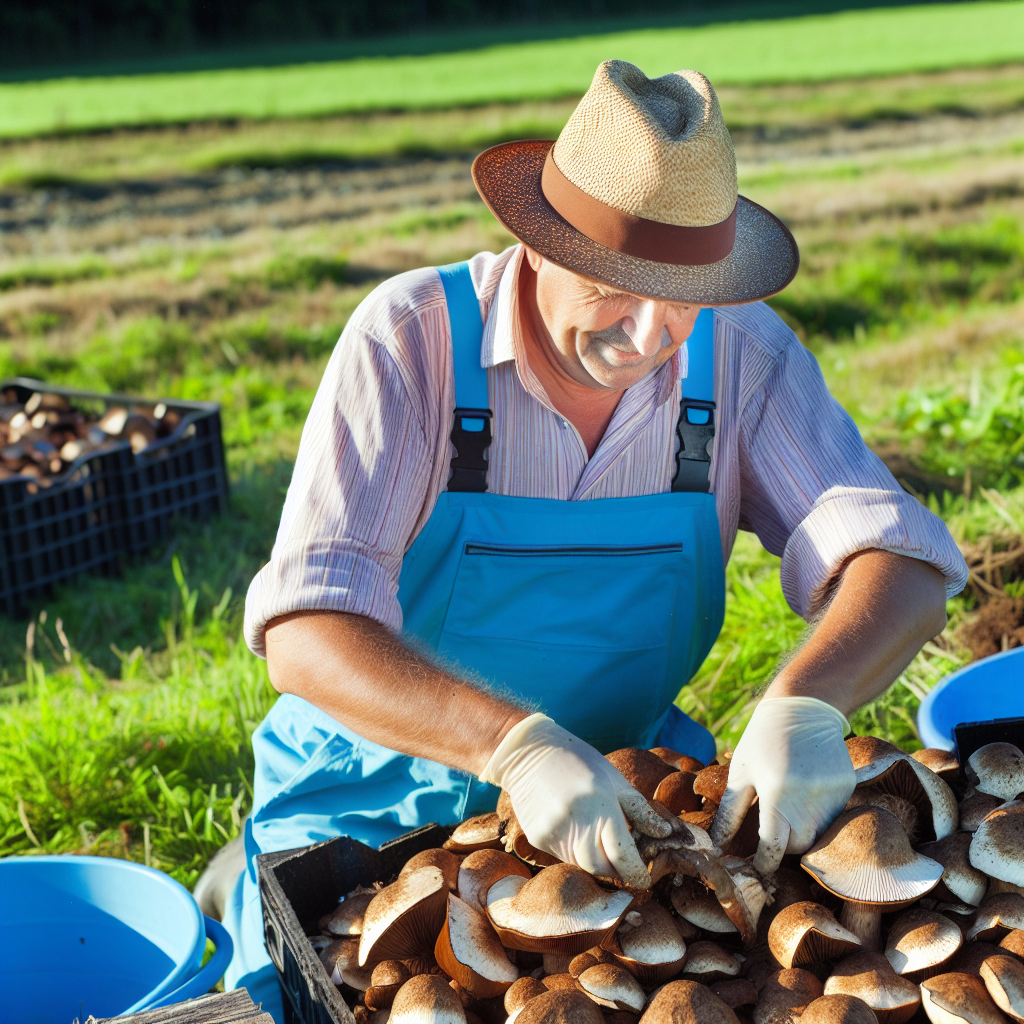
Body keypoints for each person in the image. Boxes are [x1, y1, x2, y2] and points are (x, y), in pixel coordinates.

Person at [220, 60, 968, 1018]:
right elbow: (307, 631)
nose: (652, 333)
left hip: (625, 789)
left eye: (685, 293)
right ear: (538, 243)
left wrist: (807, 703)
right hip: (371, 793)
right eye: (619, 284)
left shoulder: (740, 350)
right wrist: (517, 749)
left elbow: (900, 559)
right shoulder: (412, 341)